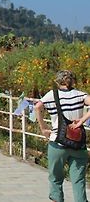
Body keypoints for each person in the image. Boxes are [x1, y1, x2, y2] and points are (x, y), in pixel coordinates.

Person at [35, 70, 90, 202]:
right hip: (78, 143)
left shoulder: (51, 95)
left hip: (57, 142)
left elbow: (37, 107)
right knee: (78, 180)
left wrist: (43, 128)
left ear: (58, 81)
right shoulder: (80, 94)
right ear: (73, 81)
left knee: (56, 179)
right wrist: (82, 120)